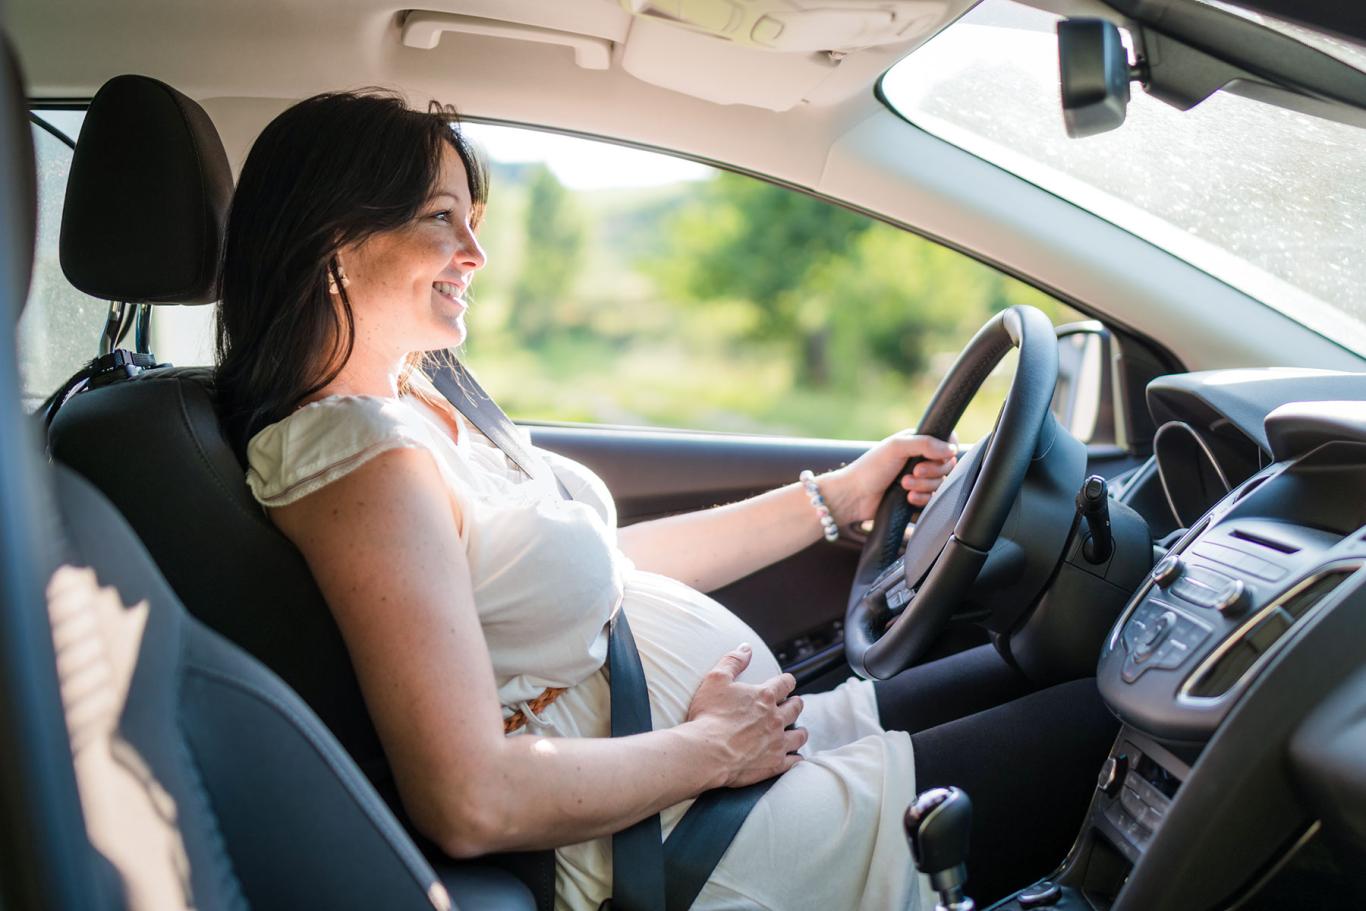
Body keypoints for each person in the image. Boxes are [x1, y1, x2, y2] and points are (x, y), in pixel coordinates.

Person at [216, 91, 1116, 910]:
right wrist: (714, 749)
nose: (476, 253)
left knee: (1061, 668)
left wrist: (834, 499)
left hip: (721, 768)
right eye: (440, 219)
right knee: (1108, 730)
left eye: (474, 220)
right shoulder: (356, 458)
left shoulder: (416, 403)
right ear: (336, 235)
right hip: (687, 839)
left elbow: (610, 571)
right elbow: (468, 797)